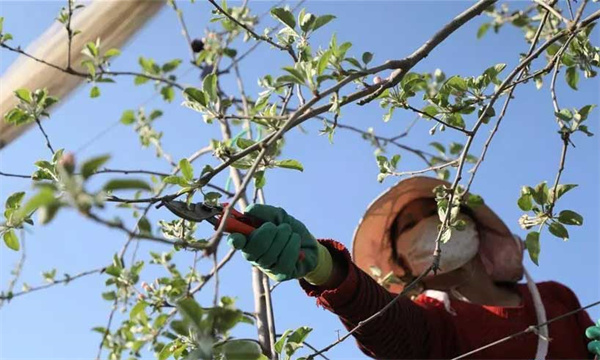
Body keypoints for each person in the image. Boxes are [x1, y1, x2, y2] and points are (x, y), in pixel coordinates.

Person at [227, 176, 600, 359]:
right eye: (410, 227)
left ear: (472, 223)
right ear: (402, 266)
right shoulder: (433, 323)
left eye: (437, 212)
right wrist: (325, 267)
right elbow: (388, 325)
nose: (432, 227)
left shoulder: (555, 298)